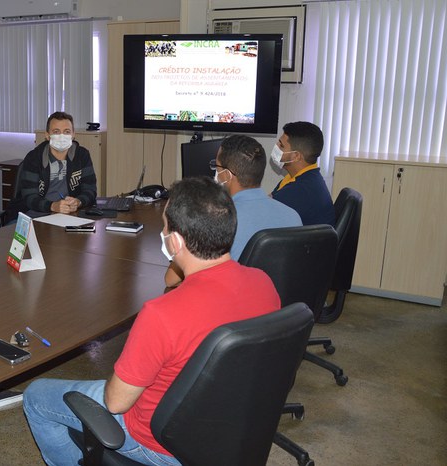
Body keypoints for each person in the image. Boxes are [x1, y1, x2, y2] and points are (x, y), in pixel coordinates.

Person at [23, 177, 281, 466]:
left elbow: (116, 403)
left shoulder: (162, 313)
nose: (163, 233)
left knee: (36, 396)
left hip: (161, 443)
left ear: (176, 241)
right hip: (233, 428)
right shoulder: (264, 283)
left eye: (165, 227)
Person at [165, 135, 301, 286]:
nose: (215, 171)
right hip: (279, 299)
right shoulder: (293, 216)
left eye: (216, 166)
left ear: (226, 175)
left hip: (232, 298)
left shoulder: (218, 219)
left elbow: (171, 279)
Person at [7, 111, 97, 220]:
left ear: (73, 134)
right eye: (56, 132)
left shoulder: (82, 155)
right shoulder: (34, 157)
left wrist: (78, 202)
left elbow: (90, 190)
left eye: (67, 131)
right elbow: (29, 197)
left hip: (71, 215)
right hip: (36, 215)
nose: (62, 136)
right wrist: (52, 206)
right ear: (47, 135)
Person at [270, 121, 335, 226]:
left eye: (281, 145)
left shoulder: (299, 190)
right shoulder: (303, 177)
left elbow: (263, 215)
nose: (276, 147)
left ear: (296, 156)